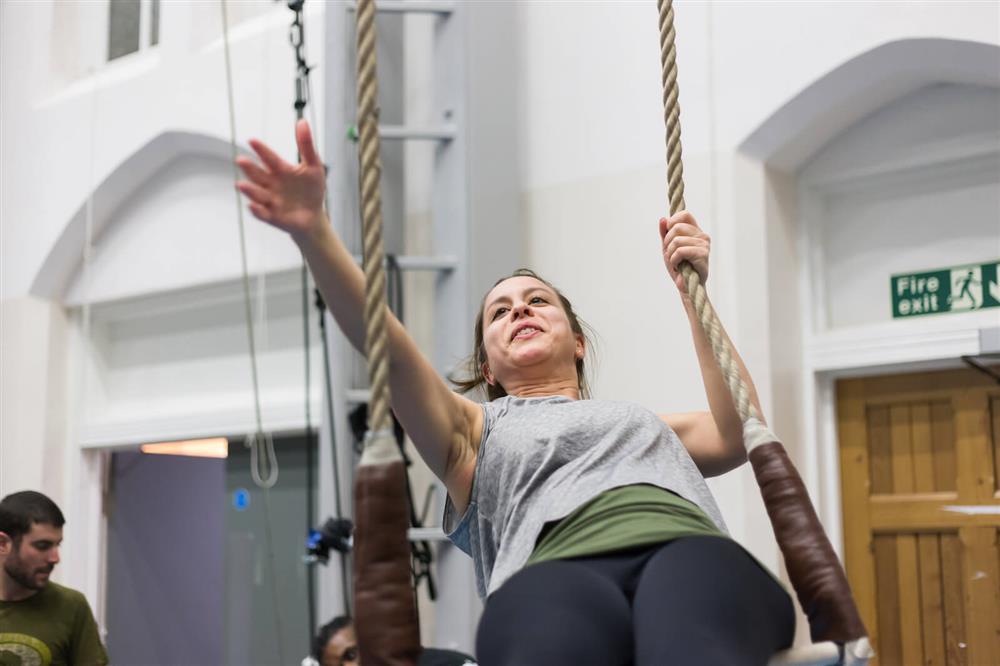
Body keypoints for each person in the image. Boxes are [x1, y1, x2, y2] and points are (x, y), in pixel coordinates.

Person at [236, 120, 794, 665]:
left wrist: (692, 292)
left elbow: (738, 430)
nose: (520, 309)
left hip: (684, 547)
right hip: (553, 569)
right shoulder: (474, 431)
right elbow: (390, 350)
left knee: (692, 642)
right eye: (500, 311)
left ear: (577, 342)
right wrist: (315, 235)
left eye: (537, 301)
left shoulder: (642, 423)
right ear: (489, 366)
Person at [0, 490, 109, 665]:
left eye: (57, 545)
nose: (55, 558)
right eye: (42, 546)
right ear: (3, 544)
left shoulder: (72, 607)